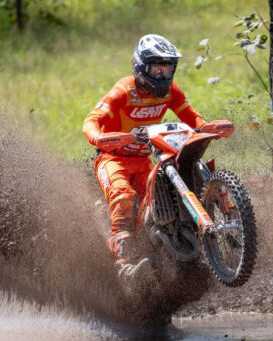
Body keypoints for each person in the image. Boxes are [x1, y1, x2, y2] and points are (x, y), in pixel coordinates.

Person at [83, 34, 207, 282]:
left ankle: (174, 260)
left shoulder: (171, 91)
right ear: (140, 67)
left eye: (167, 68)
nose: (162, 75)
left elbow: (193, 118)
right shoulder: (124, 90)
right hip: (112, 159)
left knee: (158, 209)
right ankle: (123, 265)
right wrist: (98, 138)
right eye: (156, 68)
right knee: (124, 196)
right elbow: (91, 120)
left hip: (144, 161)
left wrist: (207, 128)